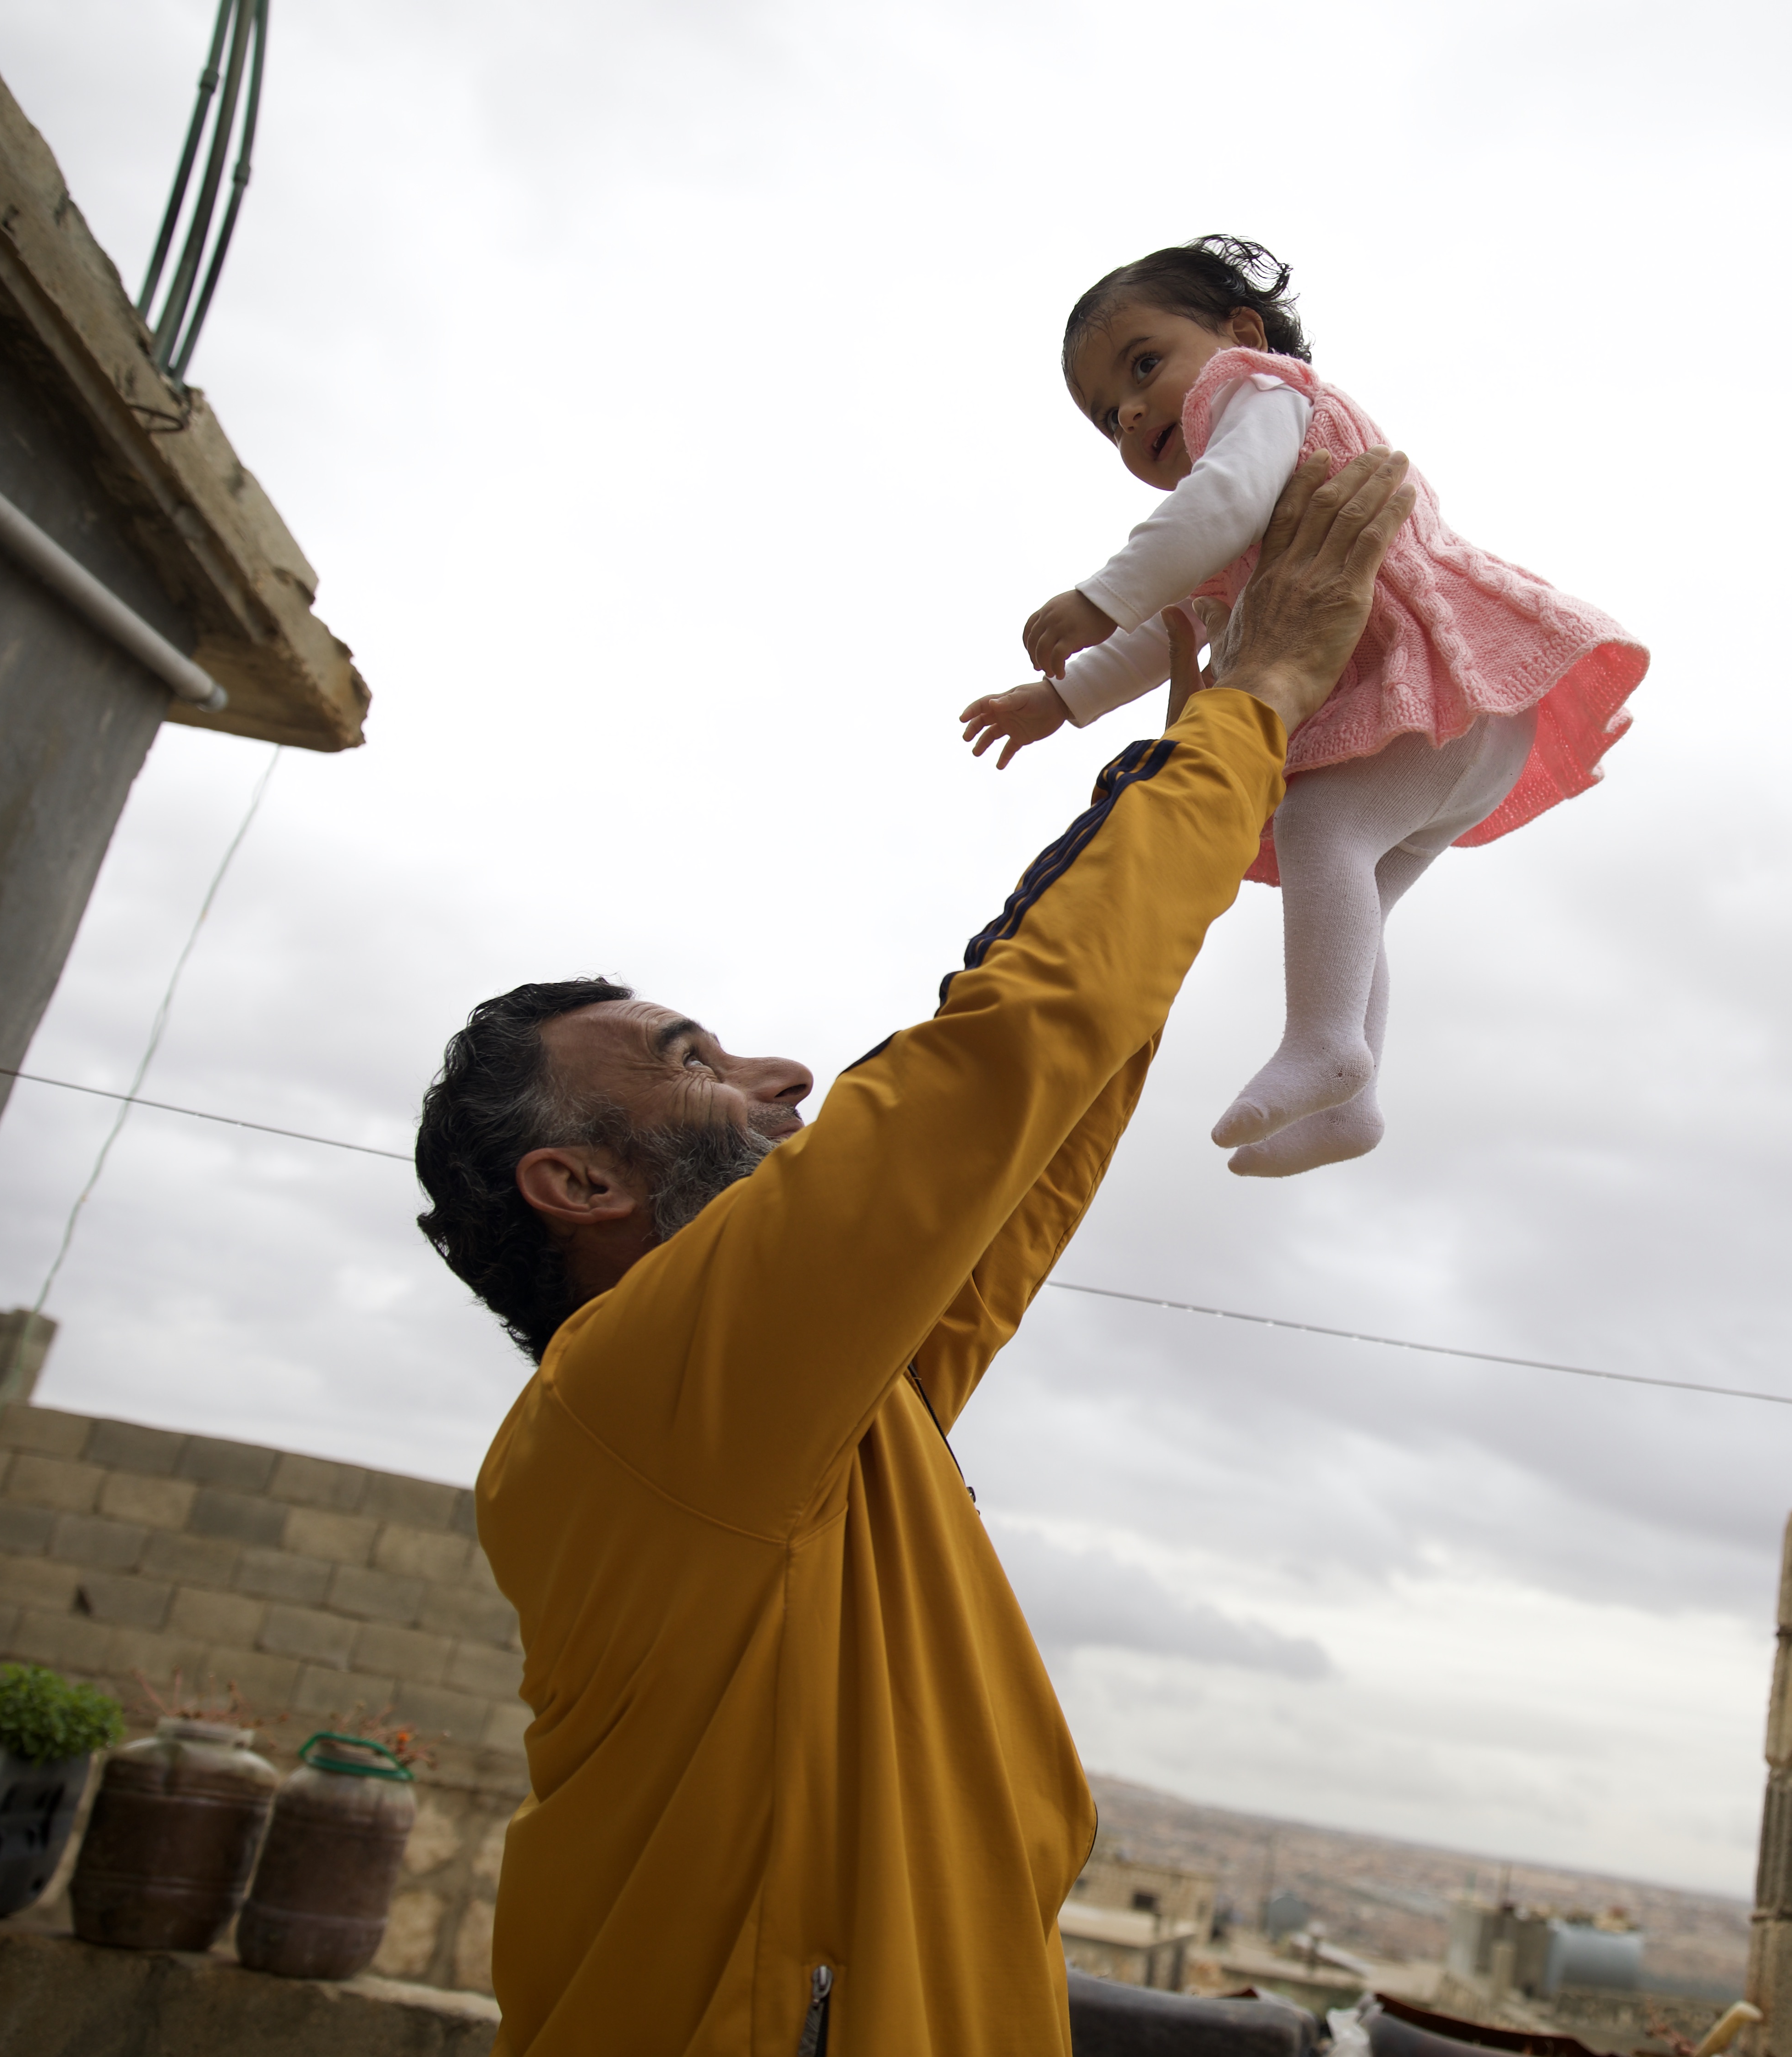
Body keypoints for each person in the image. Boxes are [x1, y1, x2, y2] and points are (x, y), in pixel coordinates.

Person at [413, 450, 1418, 2057]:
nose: (781, 1078)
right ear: (578, 1180)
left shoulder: (811, 1425)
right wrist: (1259, 701)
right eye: (694, 1063)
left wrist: (1181, 774)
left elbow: (1039, 1115)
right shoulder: (644, 1401)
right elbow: (995, 1069)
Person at [957, 236, 1650, 1178]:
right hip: (1457, 731)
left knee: (1323, 827)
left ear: (1240, 333)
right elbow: (1179, 623)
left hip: (1438, 693)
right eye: (1104, 416)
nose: (1127, 410)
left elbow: (1223, 502)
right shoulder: (1226, 515)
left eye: (1144, 364)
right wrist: (1060, 699)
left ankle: (1325, 1044)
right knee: (1353, 892)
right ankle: (1352, 1097)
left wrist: (1095, 596)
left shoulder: (1259, 394)